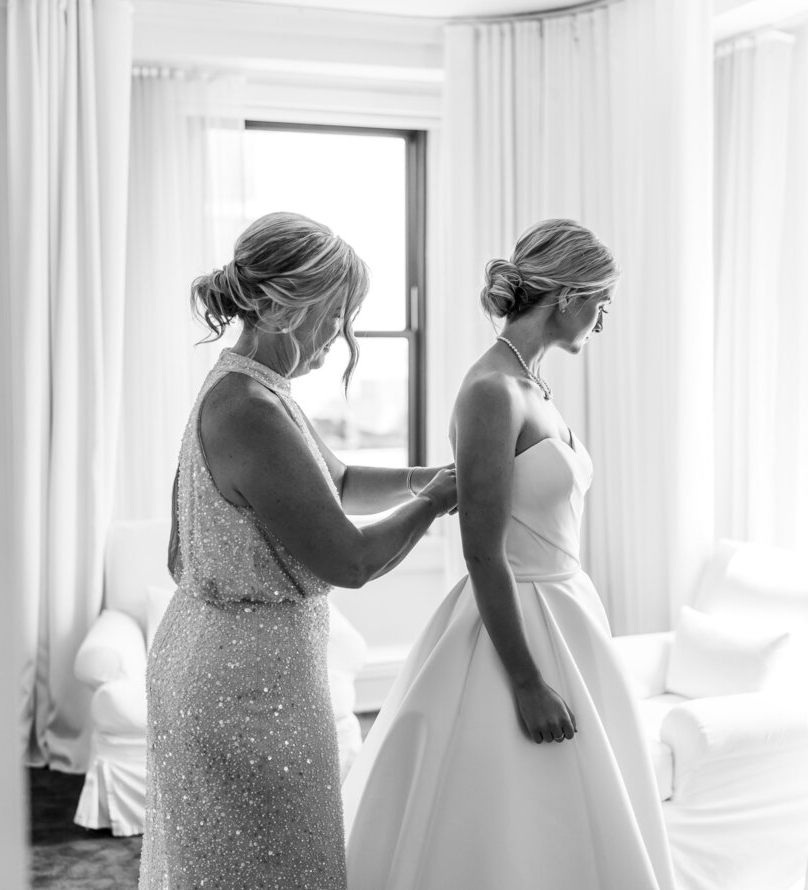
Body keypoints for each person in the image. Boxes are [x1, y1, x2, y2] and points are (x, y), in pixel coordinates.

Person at [342, 219, 675, 890]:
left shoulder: (533, 386)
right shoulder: (492, 391)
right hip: (515, 622)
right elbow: (482, 551)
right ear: (568, 296)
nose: (604, 318)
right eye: (602, 300)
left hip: (569, 613)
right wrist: (525, 682)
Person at [138, 211, 458, 890]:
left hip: (235, 663)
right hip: (246, 687)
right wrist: (435, 504)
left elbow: (335, 482)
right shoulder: (249, 407)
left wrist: (425, 478)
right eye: (336, 315)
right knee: (266, 866)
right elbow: (351, 560)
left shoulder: (257, 385)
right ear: (285, 307)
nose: (342, 337)